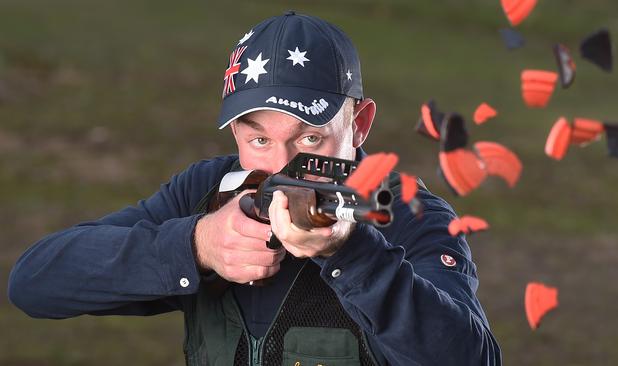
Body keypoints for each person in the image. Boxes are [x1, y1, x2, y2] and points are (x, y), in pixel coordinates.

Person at [8, 11, 502, 365]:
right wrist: (196, 244)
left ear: (360, 124)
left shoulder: (410, 214)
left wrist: (355, 257)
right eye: (259, 138)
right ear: (236, 131)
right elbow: (36, 283)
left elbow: (470, 356)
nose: (283, 167)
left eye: (310, 139)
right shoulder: (207, 191)